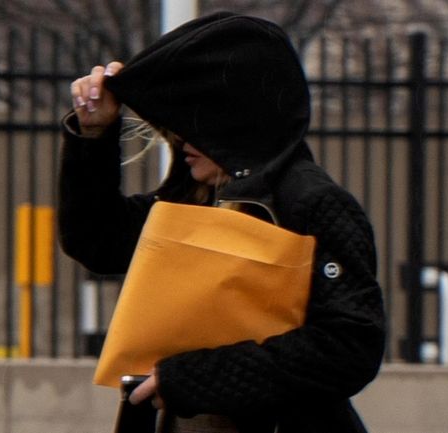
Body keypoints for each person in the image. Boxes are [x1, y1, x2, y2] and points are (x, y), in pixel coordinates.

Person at [59, 11, 385, 433]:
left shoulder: (313, 204)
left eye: (200, 123)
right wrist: (94, 135)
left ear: (238, 122)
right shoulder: (195, 197)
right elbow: (97, 241)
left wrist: (194, 379)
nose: (183, 139)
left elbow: (349, 347)